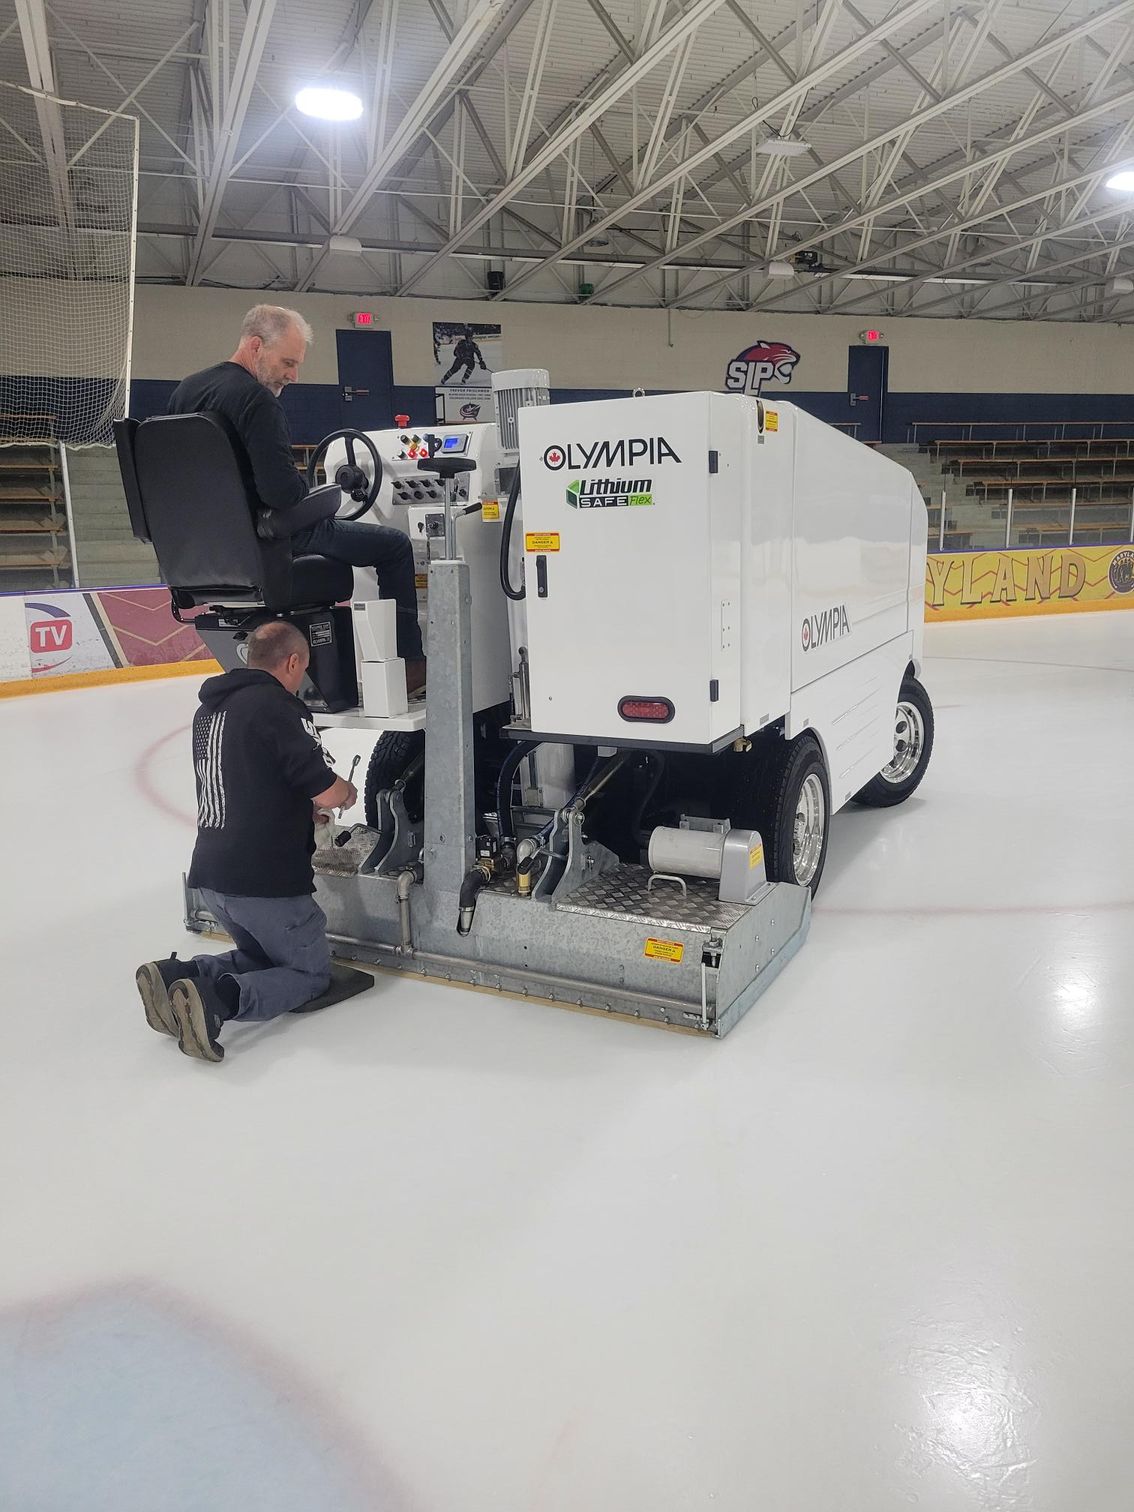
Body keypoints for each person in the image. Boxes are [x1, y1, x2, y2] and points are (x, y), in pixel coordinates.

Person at [168, 304, 425, 694]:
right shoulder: (256, 400)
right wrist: (328, 497)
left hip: (203, 557)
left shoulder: (185, 392)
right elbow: (282, 495)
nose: (294, 375)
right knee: (393, 546)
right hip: (272, 540)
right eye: (288, 362)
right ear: (255, 346)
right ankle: (410, 666)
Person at [134, 621, 359, 1063]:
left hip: (212, 877)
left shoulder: (210, 711)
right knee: (309, 974)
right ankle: (220, 1001)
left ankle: (177, 975)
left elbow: (248, 779)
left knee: (261, 956)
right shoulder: (279, 707)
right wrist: (345, 793)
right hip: (266, 881)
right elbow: (327, 790)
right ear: (293, 662)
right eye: (303, 669)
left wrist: (298, 809)